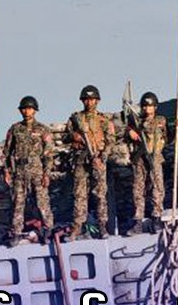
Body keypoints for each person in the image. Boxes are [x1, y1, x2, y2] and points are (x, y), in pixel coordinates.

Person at [65, 85, 117, 239]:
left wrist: (102, 157)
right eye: (86, 99)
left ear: (97, 101)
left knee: (100, 195)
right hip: (81, 160)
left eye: (92, 99)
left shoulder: (103, 120)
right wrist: (74, 136)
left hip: (98, 159)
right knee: (79, 194)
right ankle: (77, 227)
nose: (89, 102)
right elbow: (66, 137)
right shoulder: (75, 119)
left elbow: (111, 141)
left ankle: (102, 227)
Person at [3, 95, 55, 245]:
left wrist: (47, 174)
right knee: (17, 203)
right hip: (19, 171)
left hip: (37, 170)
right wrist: (6, 171)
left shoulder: (43, 130)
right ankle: (16, 232)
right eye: (24, 109)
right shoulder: (15, 129)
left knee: (42, 202)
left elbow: (48, 155)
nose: (26, 111)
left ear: (35, 110)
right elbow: (7, 152)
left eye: (30, 109)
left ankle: (48, 230)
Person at [126, 91, 168, 235]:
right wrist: (129, 132)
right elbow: (123, 131)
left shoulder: (161, 121)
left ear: (155, 107)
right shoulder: (135, 120)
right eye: (144, 106)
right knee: (138, 189)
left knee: (157, 187)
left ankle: (156, 218)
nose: (146, 109)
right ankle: (138, 221)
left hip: (155, 157)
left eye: (149, 106)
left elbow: (168, 138)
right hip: (140, 158)